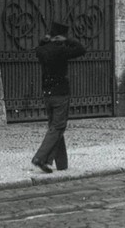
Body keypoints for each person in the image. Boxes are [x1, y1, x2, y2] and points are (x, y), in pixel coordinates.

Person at [31, 20, 86, 173]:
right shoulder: (61, 50)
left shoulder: (42, 50)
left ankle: (61, 164)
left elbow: (39, 47)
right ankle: (40, 157)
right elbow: (81, 49)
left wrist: (45, 40)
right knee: (58, 126)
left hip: (47, 93)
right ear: (61, 37)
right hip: (61, 93)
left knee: (55, 127)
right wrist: (67, 40)